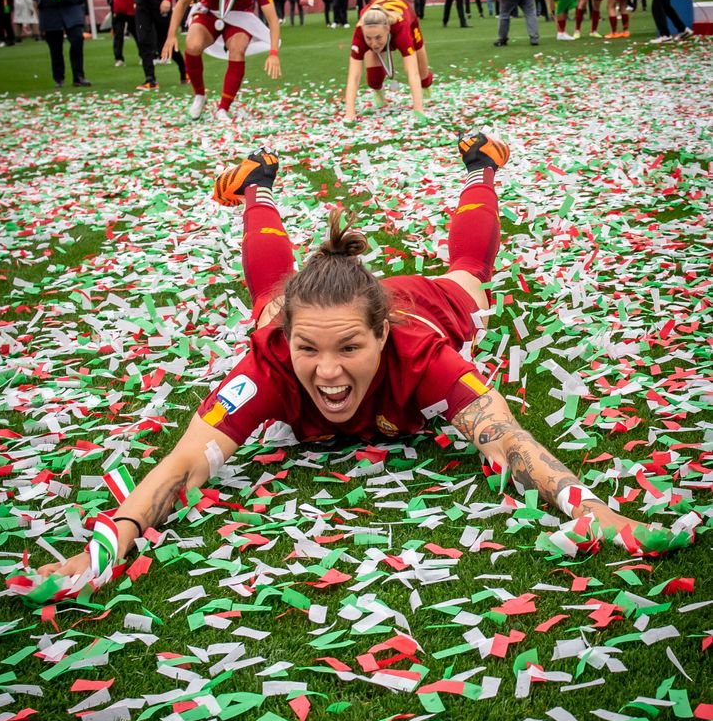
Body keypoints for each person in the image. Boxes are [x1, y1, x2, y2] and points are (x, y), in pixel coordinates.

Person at [34, 135, 698, 596]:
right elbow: (184, 463)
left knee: (469, 277)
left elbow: (507, 441)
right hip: (302, 310)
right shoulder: (271, 359)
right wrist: (110, 543)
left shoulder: (421, 353)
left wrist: (593, 510)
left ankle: (480, 167)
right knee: (269, 302)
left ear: (381, 335)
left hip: (419, 303)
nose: (327, 371)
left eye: (348, 348)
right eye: (309, 349)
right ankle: (257, 187)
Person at [161, 0, 281, 123]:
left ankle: (223, 108)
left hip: (240, 17)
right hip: (209, 11)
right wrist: (171, 35)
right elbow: (183, 2)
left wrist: (273, 53)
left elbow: (272, 19)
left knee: (237, 50)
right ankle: (199, 95)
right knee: (192, 45)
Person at [343, 0, 432, 125]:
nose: (374, 44)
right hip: (377, 18)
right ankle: (379, 95)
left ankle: (427, 87)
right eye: (368, 38)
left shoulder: (401, 28)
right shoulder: (360, 31)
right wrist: (349, 114)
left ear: (388, 29)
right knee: (373, 80)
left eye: (378, 38)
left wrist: (418, 109)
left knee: (423, 75)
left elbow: (412, 72)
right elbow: (354, 77)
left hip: (406, 16)